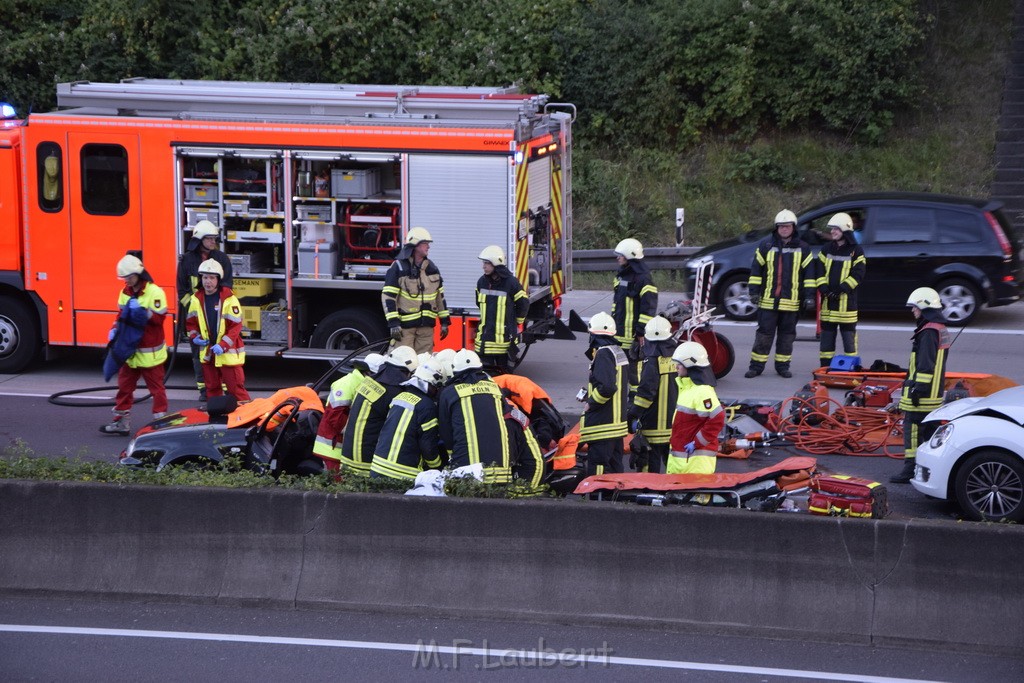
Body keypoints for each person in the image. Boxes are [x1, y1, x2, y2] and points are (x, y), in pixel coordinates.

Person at [99, 254, 169, 435]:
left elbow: (159, 319)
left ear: (139, 274)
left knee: (157, 390)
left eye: (129, 278)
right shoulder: (125, 292)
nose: (126, 281)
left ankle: (161, 423)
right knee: (124, 387)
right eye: (124, 278)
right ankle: (121, 423)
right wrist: (114, 328)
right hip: (130, 352)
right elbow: (120, 316)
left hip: (150, 354)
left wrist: (143, 312)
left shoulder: (155, 292)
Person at [745, 209, 816, 379]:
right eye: (781, 226)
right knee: (763, 336)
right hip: (768, 302)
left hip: (791, 303)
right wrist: (753, 292)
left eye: (787, 226)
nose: (784, 229)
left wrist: (809, 296)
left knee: (787, 337)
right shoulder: (766, 246)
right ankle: (756, 367)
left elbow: (809, 276)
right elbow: (756, 271)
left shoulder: (803, 249)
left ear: (793, 227)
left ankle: (783, 367)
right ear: (776, 228)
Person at [891, 287, 950, 484]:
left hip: (924, 394)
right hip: (933, 392)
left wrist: (919, 389)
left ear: (924, 307)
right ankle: (927, 468)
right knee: (929, 432)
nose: (912, 311)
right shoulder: (938, 328)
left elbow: (926, 364)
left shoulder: (928, 331)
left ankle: (910, 468)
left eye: (915, 307)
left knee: (912, 429)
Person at [176, 220, 233, 403]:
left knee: (220, 353)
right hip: (197, 316)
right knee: (199, 354)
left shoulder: (222, 259)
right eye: (209, 239)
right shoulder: (186, 261)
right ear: (199, 240)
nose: (213, 242)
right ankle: (203, 389)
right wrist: (194, 309)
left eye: (215, 238)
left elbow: (227, 286)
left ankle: (223, 388)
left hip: (216, 313)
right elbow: (182, 291)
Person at [340, 345, 418, 474]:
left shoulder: (371, 381)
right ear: (406, 370)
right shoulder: (392, 390)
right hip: (365, 460)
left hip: (348, 455)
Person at [437, 349, 511, 483]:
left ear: (455, 370)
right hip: (500, 472)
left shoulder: (449, 393)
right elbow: (508, 418)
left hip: (468, 471)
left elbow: (445, 432)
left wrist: (451, 456)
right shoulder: (495, 388)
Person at [370, 358, 446, 482]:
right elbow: (428, 446)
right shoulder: (427, 406)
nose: (437, 392)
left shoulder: (399, 397)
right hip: (402, 473)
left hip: (377, 467)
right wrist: (437, 467)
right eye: (437, 387)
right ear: (432, 383)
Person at [184, 260, 250, 404]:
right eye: (205, 277)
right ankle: (215, 422)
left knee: (236, 391)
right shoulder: (196, 299)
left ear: (218, 279)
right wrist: (195, 337)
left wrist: (223, 345)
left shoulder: (229, 299)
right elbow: (191, 323)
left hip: (227, 352)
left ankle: (248, 421)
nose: (208, 281)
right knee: (212, 390)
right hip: (208, 352)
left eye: (212, 278)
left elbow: (236, 326)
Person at [313, 352, 387, 471]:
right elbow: (335, 417)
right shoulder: (347, 384)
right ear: (369, 372)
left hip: (342, 448)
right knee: (337, 486)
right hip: (332, 449)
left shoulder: (362, 383)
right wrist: (358, 429)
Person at [381, 227, 450, 354]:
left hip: (426, 329)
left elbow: (440, 298)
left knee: (424, 364)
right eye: (425, 244)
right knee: (403, 362)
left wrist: (444, 322)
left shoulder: (432, 269)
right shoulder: (399, 267)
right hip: (405, 329)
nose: (428, 247)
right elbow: (388, 297)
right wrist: (393, 323)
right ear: (415, 245)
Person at [578, 312, 629, 477]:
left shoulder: (603, 354)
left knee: (598, 467)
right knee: (615, 468)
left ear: (593, 334)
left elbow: (607, 387)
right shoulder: (617, 351)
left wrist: (590, 403)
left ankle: (597, 498)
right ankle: (612, 501)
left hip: (603, 425)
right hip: (616, 425)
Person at [626, 316, 679, 473]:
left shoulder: (652, 361)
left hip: (653, 426)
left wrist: (633, 415)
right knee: (673, 467)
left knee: (650, 467)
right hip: (674, 424)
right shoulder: (678, 357)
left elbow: (645, 393)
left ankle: (651, 494)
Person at [816, 212, 867, 368]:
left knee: (849, 343)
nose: (832, 232)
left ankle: (850, 369)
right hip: (828, 306)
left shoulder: (856, 251)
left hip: (847, 307)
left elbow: (858, 275)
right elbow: (819, 271)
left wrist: (840, 289)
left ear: (845, 230)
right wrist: (824, 288)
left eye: (836, 229)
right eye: (832, 229)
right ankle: (825, 369)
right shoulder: (826, 248)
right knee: (826, 342)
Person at [668, 341, 725, 475]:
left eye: (680, 364)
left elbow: (717, 418)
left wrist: (697, 442)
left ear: (691, 366)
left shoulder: (702, 391)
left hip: (696, 464)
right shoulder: (687, 388)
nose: (677, 367)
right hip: (685, 462)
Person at [611, 238, 658, 390]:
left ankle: (635, 401)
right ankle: (623, 400)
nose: (618, 257)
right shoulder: (621, 276)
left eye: (621, 255)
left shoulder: (644, 279)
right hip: (619, 334)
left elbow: (648, 308)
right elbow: (616, 305)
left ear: (630, 256)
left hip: (633, 336)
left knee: (634, 373)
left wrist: (640, 331)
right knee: (619, 370)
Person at [474, 245, 529, 373]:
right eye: (484, 263)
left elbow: (523, 304)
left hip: (504, 345)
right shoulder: (481, 282)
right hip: (484, 343)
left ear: (496, 264)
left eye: (487, 263)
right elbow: (478, 302)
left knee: (505, 381)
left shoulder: (511, 283)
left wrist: (516, 322)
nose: (484, 266)